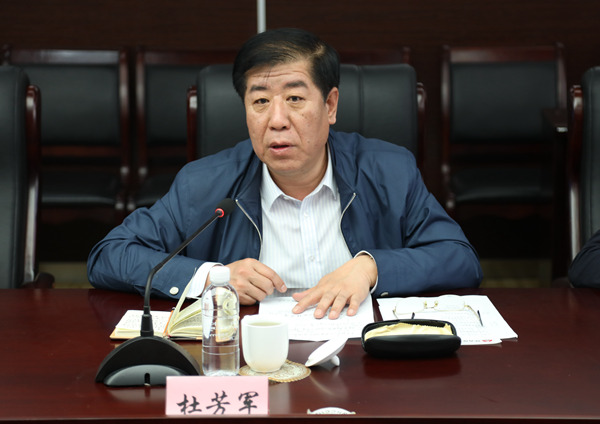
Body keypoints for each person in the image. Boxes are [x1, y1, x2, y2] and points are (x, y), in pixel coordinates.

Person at [88, 28, 482, 320]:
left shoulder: (389, 171)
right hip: (250, 361)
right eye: (260, 101)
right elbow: (109, 256)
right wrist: (213, 278)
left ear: (330, 105)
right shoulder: (204, 185)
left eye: (295, 98)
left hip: (366, 362)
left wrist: (371, 267)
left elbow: (459, 258)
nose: (277, 120)